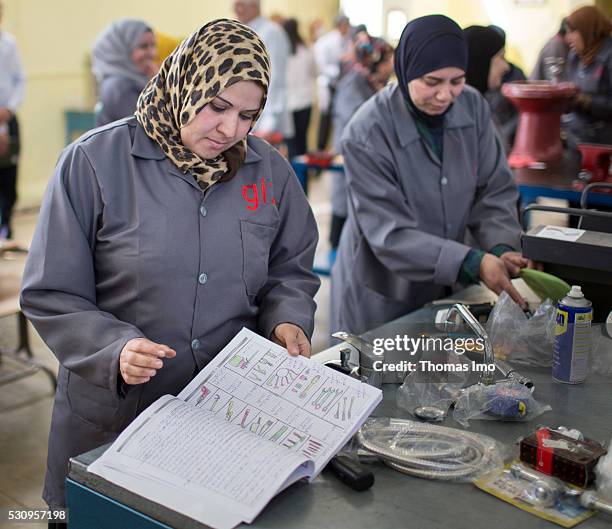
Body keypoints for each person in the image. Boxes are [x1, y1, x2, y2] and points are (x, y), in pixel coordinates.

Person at [20, 18, 319, 514]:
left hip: (219, 418)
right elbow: (51, 293)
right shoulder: (95, 163)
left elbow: (290, 267)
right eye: (217, 106)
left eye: (248, 115)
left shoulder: (268, 173)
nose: (230, 130)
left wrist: (288, 317)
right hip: (114, 421)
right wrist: (114, 348)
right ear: (185, 83)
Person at [330, 15, 533, 337]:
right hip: (384, 291)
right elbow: (390, 232)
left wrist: (499, 246)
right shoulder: (367, 131)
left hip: (446, 286)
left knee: (436, 375)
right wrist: (469, 261)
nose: (445, 95)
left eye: (456, 81)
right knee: (382, 373)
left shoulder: (473, 107)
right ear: (407, 69)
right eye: (432, 82)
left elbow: (493, 190)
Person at [329, 35, 394, 255]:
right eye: (387, 61)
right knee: (344, 237)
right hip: (350, 163)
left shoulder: (371, 83)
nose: (390, 67)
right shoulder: (353, 85)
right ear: (374, 61)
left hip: (365, 166)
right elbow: (356, 126)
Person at [233, 0, 292, 141]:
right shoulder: (240, 30)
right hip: (244, 114)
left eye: (241, 6)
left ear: (255, 6)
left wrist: (269, 121)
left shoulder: (272, 32)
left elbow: (275, 77)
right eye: (235, 6)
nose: (237, 11)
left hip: (266, 118)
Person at [463, 25, 526, 152]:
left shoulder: (476, 105)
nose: (506, 67)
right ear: (482, 61)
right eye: (501, 57)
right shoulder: (463, 114)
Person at [91, 18, 158, 126]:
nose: (152, 53)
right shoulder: (119, 88)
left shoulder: (132, 81)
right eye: (143, 46)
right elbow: (148, 128)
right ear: (121, 49)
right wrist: (159, 86)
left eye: (153, 45)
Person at [563, 5, 612, 145]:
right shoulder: (575, 57)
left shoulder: (609, 56)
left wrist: (587, 101)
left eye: (572, 32)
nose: (568, 38)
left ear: (587, 30)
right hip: (576, 137)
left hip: (604, 143)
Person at [0, 0, 25, 240]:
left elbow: (20, 79)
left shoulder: (8, 45)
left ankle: (5, 228)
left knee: (9, 178)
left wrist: (9, 107)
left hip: (7, 117)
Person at [313, 14, 351, 150]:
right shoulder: (326, 42)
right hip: (329, 83)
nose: (345, 28)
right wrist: (340, 66)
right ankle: (321, 149)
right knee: (326, 119)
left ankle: (338, 148)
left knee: (341, 116)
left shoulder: (348, 40)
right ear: (338, 25)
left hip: (343, 84)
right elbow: (321, 66)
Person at [283, 18, 316, 160]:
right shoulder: (306, 50)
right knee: (302, 143)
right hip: (305, 101)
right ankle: (303, 181)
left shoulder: (282, 51)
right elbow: (315, 71)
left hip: (288, 103)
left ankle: (291, 179)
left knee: (291, 145)